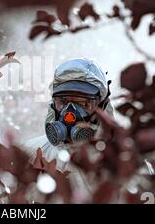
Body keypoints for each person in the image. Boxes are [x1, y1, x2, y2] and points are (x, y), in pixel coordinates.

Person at [23, 58, 115, 202]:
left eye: (84, 104)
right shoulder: (29, 155)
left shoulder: (123, 163)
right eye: (63, 102)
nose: (70, 115)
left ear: (102, 107)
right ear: (53, 104)